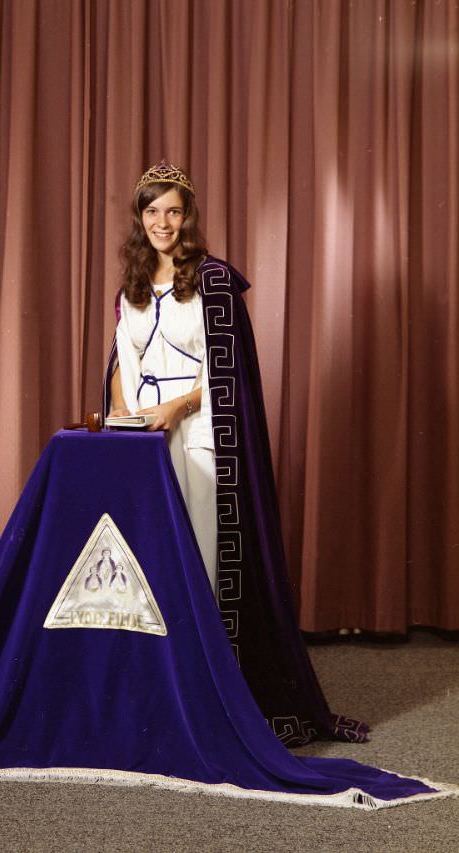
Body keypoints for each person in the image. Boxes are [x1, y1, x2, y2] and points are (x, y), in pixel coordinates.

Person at [103, 160, 369, 746]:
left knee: (203, 561)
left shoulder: (215, 282)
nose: (162, 222)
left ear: (188, 217)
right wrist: (125, 421)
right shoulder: (133, 286)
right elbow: (124, 362)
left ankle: (209, 698)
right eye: (152, 211)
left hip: (199, 434)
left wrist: (175, 410)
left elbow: (228, 371)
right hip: (142, 439)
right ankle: (155, 694)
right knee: (149, 564)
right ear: (139, 218)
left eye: (173, 210)